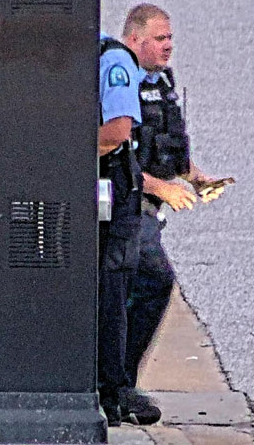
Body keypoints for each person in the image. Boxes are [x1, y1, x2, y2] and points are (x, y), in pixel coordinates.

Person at [120, 3, 233, 425]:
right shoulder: (120, 81)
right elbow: (117, 155)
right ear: (135, 40)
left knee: (140, 286)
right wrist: (161, 187)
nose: (169, 46)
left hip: (152, 201)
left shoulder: (162, 81)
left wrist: (194, 177)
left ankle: (118, 382)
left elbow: (163, 143)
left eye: (170, 38)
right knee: (153, 278)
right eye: (160, 39)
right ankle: (116, 384)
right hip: (127, 203)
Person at [97, 31, 144, 426]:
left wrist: (57, 156)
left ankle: (113, 393)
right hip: (90, 192)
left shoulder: (111, 60)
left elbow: (116, 132)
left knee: (111, 289)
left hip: (112, 192)